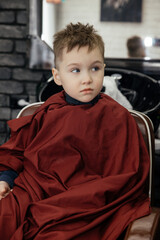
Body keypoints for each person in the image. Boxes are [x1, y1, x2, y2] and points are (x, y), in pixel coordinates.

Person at [0, 22, 150, 239]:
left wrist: (72, 200)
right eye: (75, 70)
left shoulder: (118, 117)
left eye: (95, 68)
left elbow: (125, 178)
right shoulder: (46, 112)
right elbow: (17, 152)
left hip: (87, 203)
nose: (87, 79)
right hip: (35, 192)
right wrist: (5, 179)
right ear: (58, 76)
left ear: (104, 69)